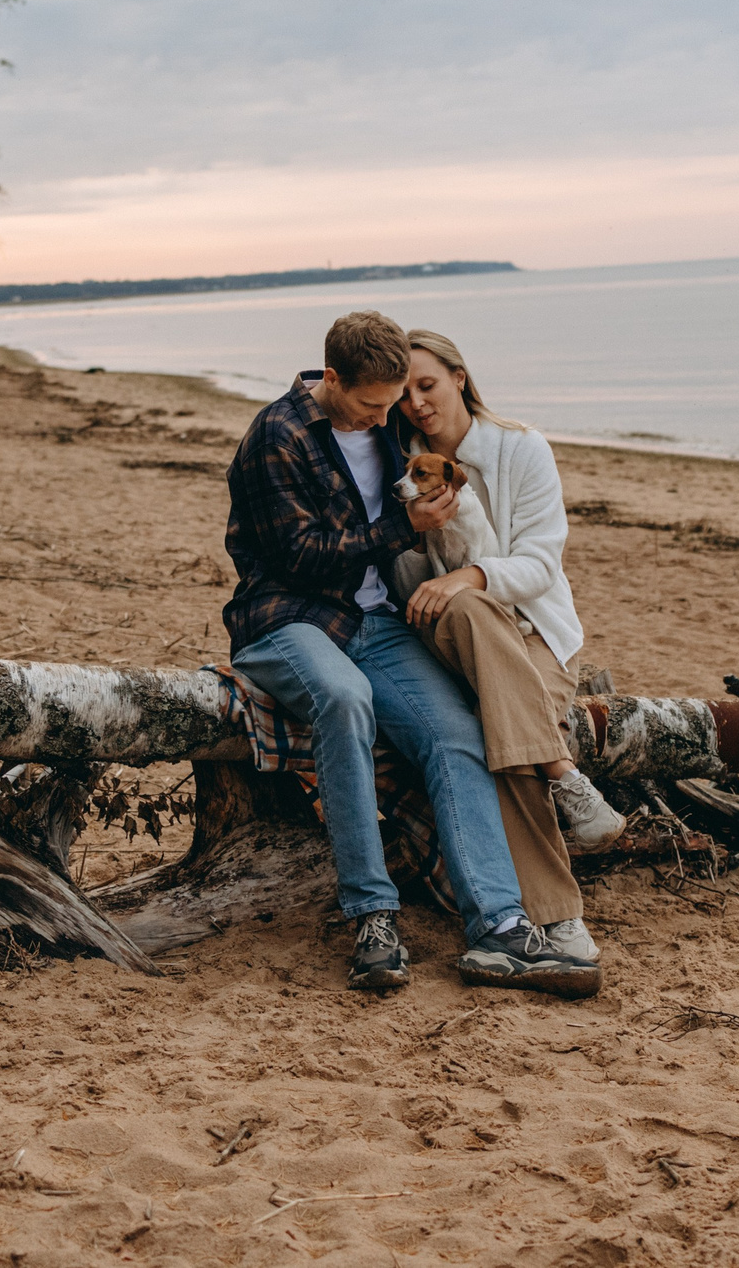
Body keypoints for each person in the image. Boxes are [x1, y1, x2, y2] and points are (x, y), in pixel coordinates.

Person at [223, 310, 599, 997]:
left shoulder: (392, 422)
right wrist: (402, 525)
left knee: (457, 734)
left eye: (395, 401)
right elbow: (300, 558)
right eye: (372, 403)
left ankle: (502, 924)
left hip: (375, 620)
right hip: (291, 613)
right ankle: (372, 915)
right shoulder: (277, 436)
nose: (388, 417)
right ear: (331, 378)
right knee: (344, 699)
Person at [392, 329, 628, 971]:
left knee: (497, 731)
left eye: (428, 384)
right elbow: (410, 593)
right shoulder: (403, 469)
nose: (415, 402)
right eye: (404, 390)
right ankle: (565, 785)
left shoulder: (521, 448)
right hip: (449, 636)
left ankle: (542, 919)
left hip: (534, 634)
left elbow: (541, 564)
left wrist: (467, 576)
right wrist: (416, 541)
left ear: (460, 378)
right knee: (467, 609)